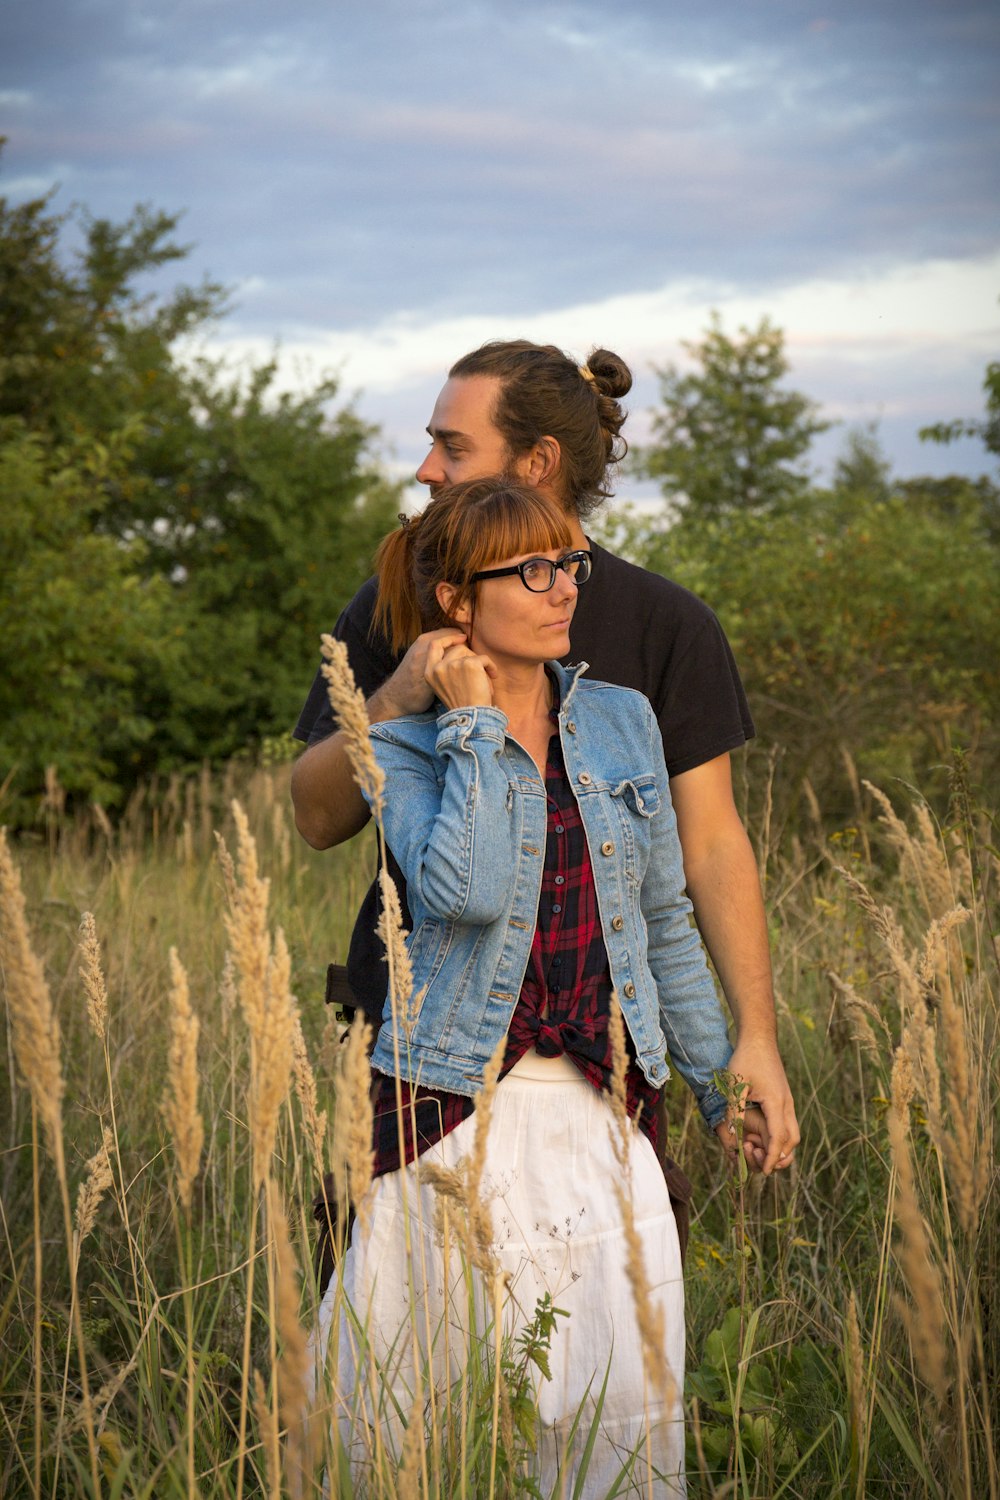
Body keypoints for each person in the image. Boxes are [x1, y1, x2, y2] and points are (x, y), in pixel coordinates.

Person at [316, 477, 767, 1494]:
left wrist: (714, 1081)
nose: (562, 586)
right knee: (405, 1419)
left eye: (569, 562)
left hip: (605, 1113)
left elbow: (659, 926)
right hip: (450, 1112)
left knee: (615, 1418)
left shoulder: (621, 721)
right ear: (456, 604)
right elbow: (464, 894)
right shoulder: (399, 744)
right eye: (530, 569)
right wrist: (471, 722)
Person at [292, 339, 799, 1173]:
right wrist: (397, 700)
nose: (426, 469)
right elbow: (317, 820)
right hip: (423, 1051)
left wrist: (752, 1042)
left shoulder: (665, 628)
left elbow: (703, 851)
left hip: (609, 1066)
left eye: (453, 446)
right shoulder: (395, 598)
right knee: (410, 1297)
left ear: (537, 462)